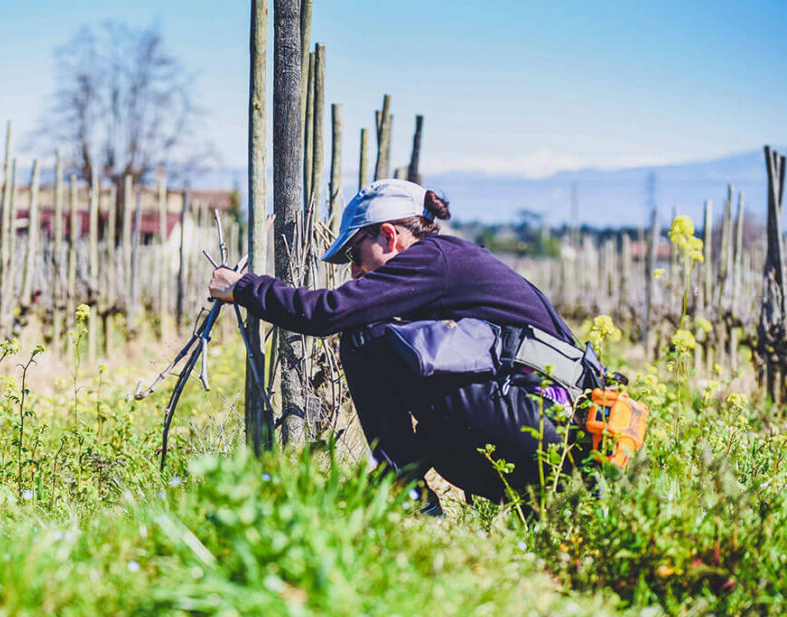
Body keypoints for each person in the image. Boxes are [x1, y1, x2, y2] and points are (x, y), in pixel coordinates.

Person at [209, 179, 589, 511]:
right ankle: (406, 490)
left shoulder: (430, 259)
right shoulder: (450, 260)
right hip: (561, 430)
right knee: (410, 363)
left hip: (541, 421)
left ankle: (406, 494)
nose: (354, 270)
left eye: (355, 255)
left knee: (363, 336)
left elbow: (326, 313)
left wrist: (243, 287)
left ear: (389, 236)